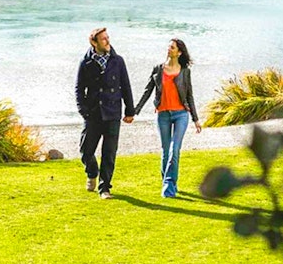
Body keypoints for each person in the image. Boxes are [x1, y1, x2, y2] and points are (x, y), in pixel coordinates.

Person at [133, 38, 201, 198]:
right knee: (165, 151)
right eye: (168, 46)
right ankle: (171, 182)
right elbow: (147, 91)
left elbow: (189, 95)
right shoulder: (158, 69)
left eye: (172, 47)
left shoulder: (185, 71)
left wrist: (195, 118)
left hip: (181, 115)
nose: (168, 49)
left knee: (174, 149)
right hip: (162, 114)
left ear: (179, 52)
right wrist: (135, 111)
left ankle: (168, 188)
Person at [76, 27, 134, 199]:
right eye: (103, 39)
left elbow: (126, 86)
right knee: (86, 150)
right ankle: (92, 172)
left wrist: (130, 110)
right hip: (93, 113)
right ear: (94, 42)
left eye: (108, 38)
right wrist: (83, 110)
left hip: (113, 112)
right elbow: (79, 89)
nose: (108, 41)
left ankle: (104, 189)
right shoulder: (85, 62)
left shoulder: (118, 61)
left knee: (109, 153)